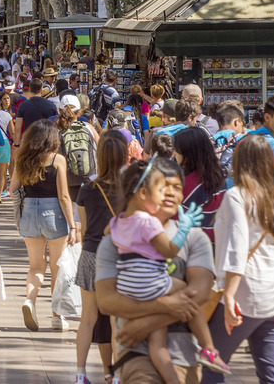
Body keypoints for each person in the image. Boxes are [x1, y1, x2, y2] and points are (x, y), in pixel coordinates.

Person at [96, 157, 223, 384]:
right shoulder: (114, 241)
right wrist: (166, 306)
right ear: (144, 192)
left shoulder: (195, 239)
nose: (170, 193)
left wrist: (145, 323)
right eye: (163, 187)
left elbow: (200, 292)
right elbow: (106, 301)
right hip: (134, 353)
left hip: (184, 356)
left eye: (176, 187)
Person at [204, 135, 274, 384]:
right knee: (271, 373)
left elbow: (237, 247)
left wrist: (228, 296)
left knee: (209, 364)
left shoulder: (237, 195)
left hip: (244, 295)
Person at [10, 118, 78, 332]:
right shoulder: (57, 160)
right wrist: (72, 225)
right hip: (54, 214)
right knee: (57, 267)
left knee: (36, 266)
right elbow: (64, 196)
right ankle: (57, 316)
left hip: (29, 212)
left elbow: (13, 189)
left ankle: (30, 301)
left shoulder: (23, 159)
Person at [74, 134, 129, 384]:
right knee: (117, 318)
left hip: (90, 254)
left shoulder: (87, 189)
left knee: (87, 318)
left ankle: (80, 373)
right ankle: (116, 374)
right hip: (117, 257)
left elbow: (85, 230)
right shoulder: (131, 189)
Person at [174, 127, 226, 244]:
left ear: (186, 154)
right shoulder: (218, 175)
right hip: (217, 242)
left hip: (193, 246)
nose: (174, 154)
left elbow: (174, 220)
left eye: (176, 150)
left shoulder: (186, 183)